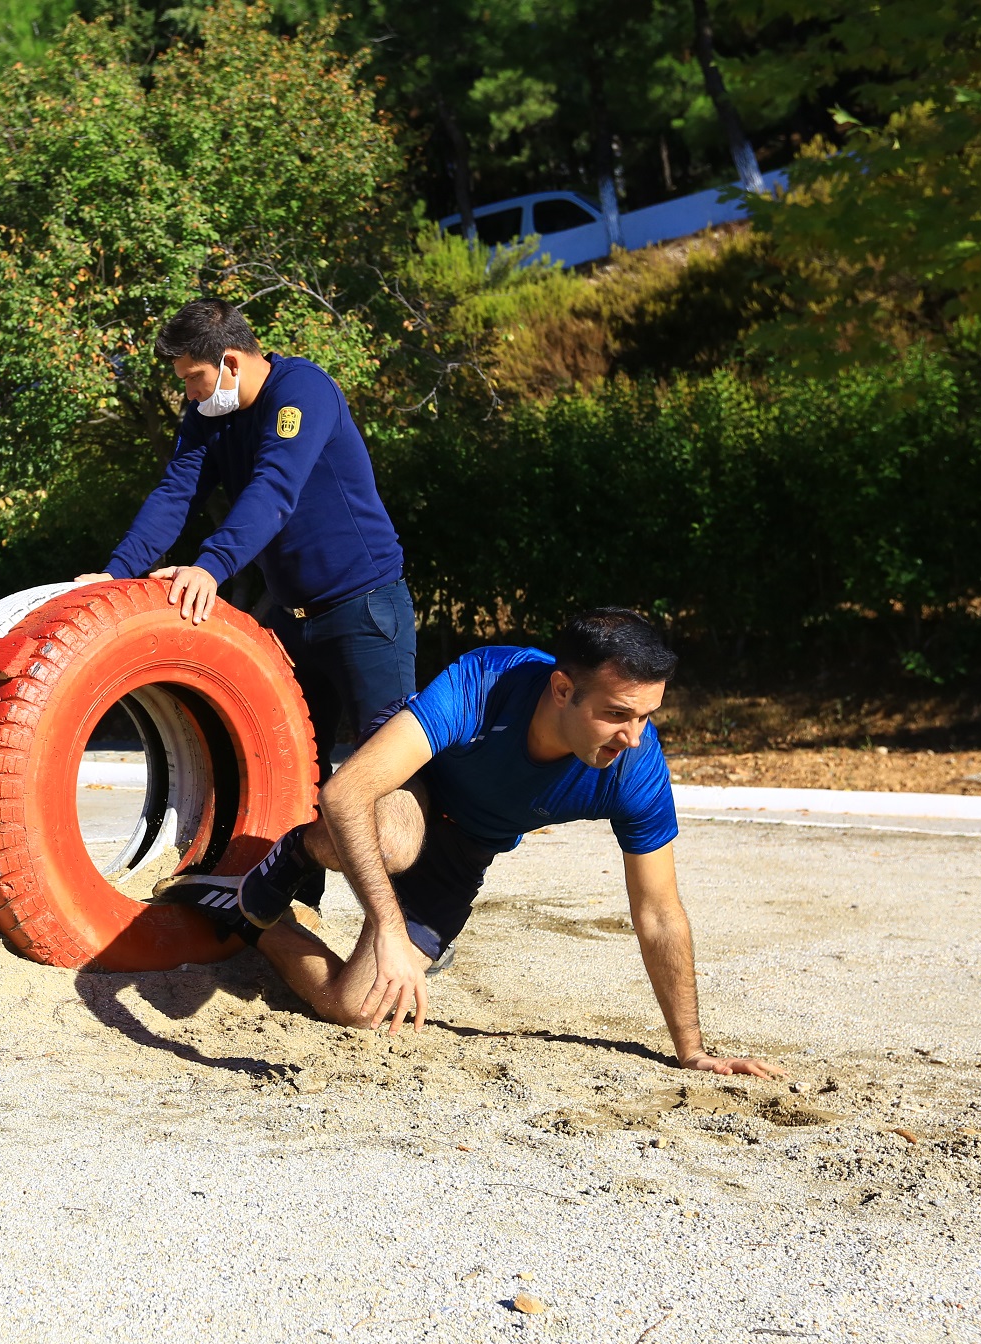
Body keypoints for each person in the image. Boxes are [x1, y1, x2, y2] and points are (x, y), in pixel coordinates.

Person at [160, 609, 778, 1078]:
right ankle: (297, 852)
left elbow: (658, 912)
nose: (634, 737)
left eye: (646, 716)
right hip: (416, 796)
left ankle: (248, 916)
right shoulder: (486, 682)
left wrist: (692, 1049)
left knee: (356, 1009)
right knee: (390, 837)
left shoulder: (634, 767)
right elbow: (346, 793)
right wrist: (389, 928)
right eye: (619, 714)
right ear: (562, 690)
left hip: (464, 853)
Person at [78, 298, 414, 799]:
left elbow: (274, 487)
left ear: (231, 362)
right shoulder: (207, 415)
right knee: (291, 781)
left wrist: (209, 567)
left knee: (390, 779)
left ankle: (415, 880)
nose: (189, 393)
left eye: (194, 378)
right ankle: (284, 882)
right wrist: (118, 572)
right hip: (292, 619)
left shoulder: (303, 390)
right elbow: (176, 493)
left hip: (363, 610)